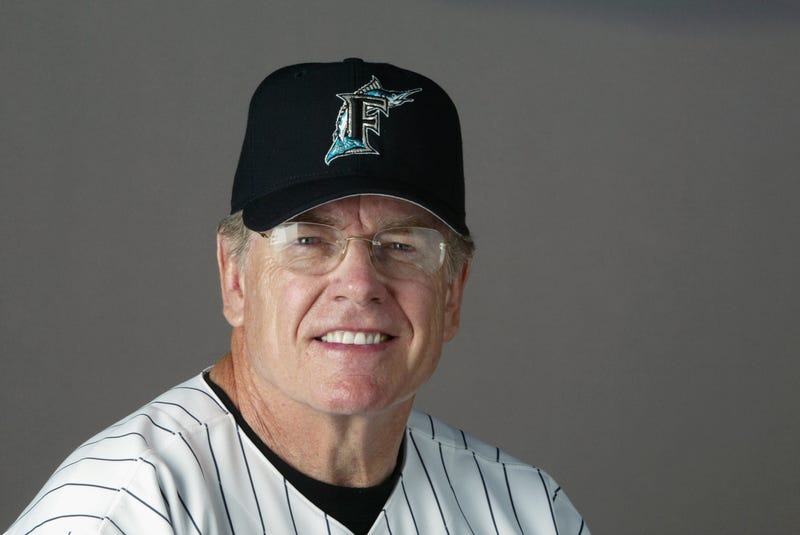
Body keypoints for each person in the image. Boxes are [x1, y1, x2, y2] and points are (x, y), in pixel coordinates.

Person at [7, 59, 590, 534]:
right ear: (235, 276)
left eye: (403, 245)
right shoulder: (120, 512)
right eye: (309, 240)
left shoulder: (528, 512)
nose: (360, 283)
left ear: (453, 294)